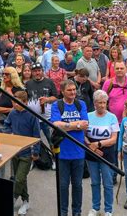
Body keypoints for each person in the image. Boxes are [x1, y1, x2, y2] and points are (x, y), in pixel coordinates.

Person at [51, 80, 89, 216]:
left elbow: (85, 124)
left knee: (77, 185)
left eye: (74, 89)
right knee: (63, 186)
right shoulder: (57, 105)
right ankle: (63, 212)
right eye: (69, 90)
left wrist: (66, 125)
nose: (73, 92)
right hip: (62, 153)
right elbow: (55, 124)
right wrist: (76, 125)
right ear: (62, 91)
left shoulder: (81, 104)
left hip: (78, 152)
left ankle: (76, 212)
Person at [4, 90, 40, 216]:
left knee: (19, 179)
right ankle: (25, 201)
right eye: (14, 102)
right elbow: (6, 125)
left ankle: (12, 199)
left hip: (27, 153)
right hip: (15, 151)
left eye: (18, 102)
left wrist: (35, 152)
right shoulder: (12, 113)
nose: (14, 104)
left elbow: (36, 135)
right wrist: (10, 134)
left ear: (25, 102)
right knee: (20, 178)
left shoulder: (32, 115)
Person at [85, 90, 119, 216]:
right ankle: (95, 208)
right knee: (94, 182)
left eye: (104, 102)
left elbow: (114, 139)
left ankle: (108, 210)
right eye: (99, 102)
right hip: (91, 155)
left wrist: (98, 144)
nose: (102, 105)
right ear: (94, 103)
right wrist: (91, 146)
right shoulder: (88, 116)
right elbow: (83, 136)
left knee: (108, 184)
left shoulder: (112, 117)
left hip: (107, 156)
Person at [25, 62, 58, 146]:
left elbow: (56, 97)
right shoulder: (28, 84)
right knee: (34, 142)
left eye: (39, 70)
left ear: (42, 71)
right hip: (33, 119)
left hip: (47, 119)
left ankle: (55, 158)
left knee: (52, 142)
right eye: (35, 71)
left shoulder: (49, 82)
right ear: (32, 72)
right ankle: (38, 158)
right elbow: (25, 99)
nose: (37, 73)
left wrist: (47, 99)